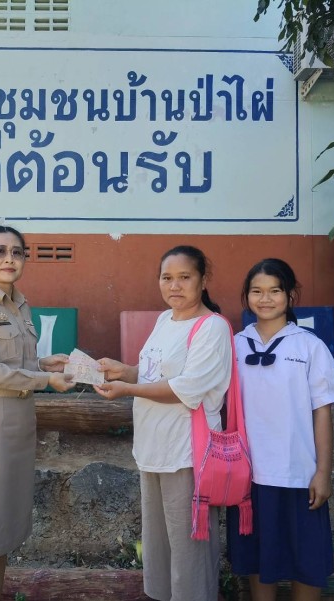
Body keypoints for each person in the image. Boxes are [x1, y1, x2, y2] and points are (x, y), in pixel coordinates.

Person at [94, 245, 232, 601]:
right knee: (159, 547)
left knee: (189, 549)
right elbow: (153, 373)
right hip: (152, 448)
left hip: (187, 453)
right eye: (167, 277)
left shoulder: (212, 327)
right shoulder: (164, 320)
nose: (175, 285)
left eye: (185, 277)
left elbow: (187, 388)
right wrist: (124, 371)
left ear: (203, 280)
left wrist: (127, 389)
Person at [0, 225, 75, 601]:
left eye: (17, 252)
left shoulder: (21, 306)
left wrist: (43, 363)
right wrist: (45, 379)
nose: (10, 259)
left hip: (21, 422)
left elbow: (14, 365)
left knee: (3, 530)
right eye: (0, 251)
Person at [227, 258, 334, 601]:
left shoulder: (309, 347)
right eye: (256, 291)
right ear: (246, 296)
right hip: (249, 475)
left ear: (290, 295)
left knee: (306, 559)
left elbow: (322, 413)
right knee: (258, 557)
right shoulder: (234, 346)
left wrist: (323, 472)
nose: (265, 299)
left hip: (298, 474)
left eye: (275, 290)